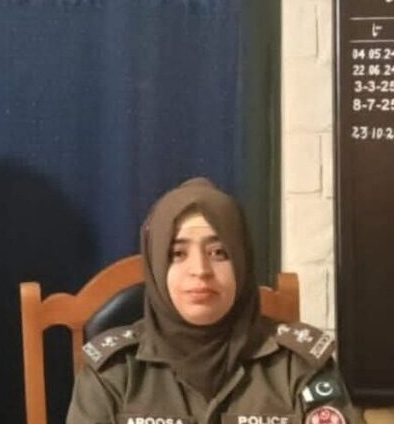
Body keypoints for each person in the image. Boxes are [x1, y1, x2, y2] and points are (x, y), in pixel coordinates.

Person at [68, 178, 364, 424]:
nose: (200, 270)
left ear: (242, 263)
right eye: (178, 254)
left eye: (218, 253)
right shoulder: (114, 373)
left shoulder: (299, 367)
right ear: (156, 267)